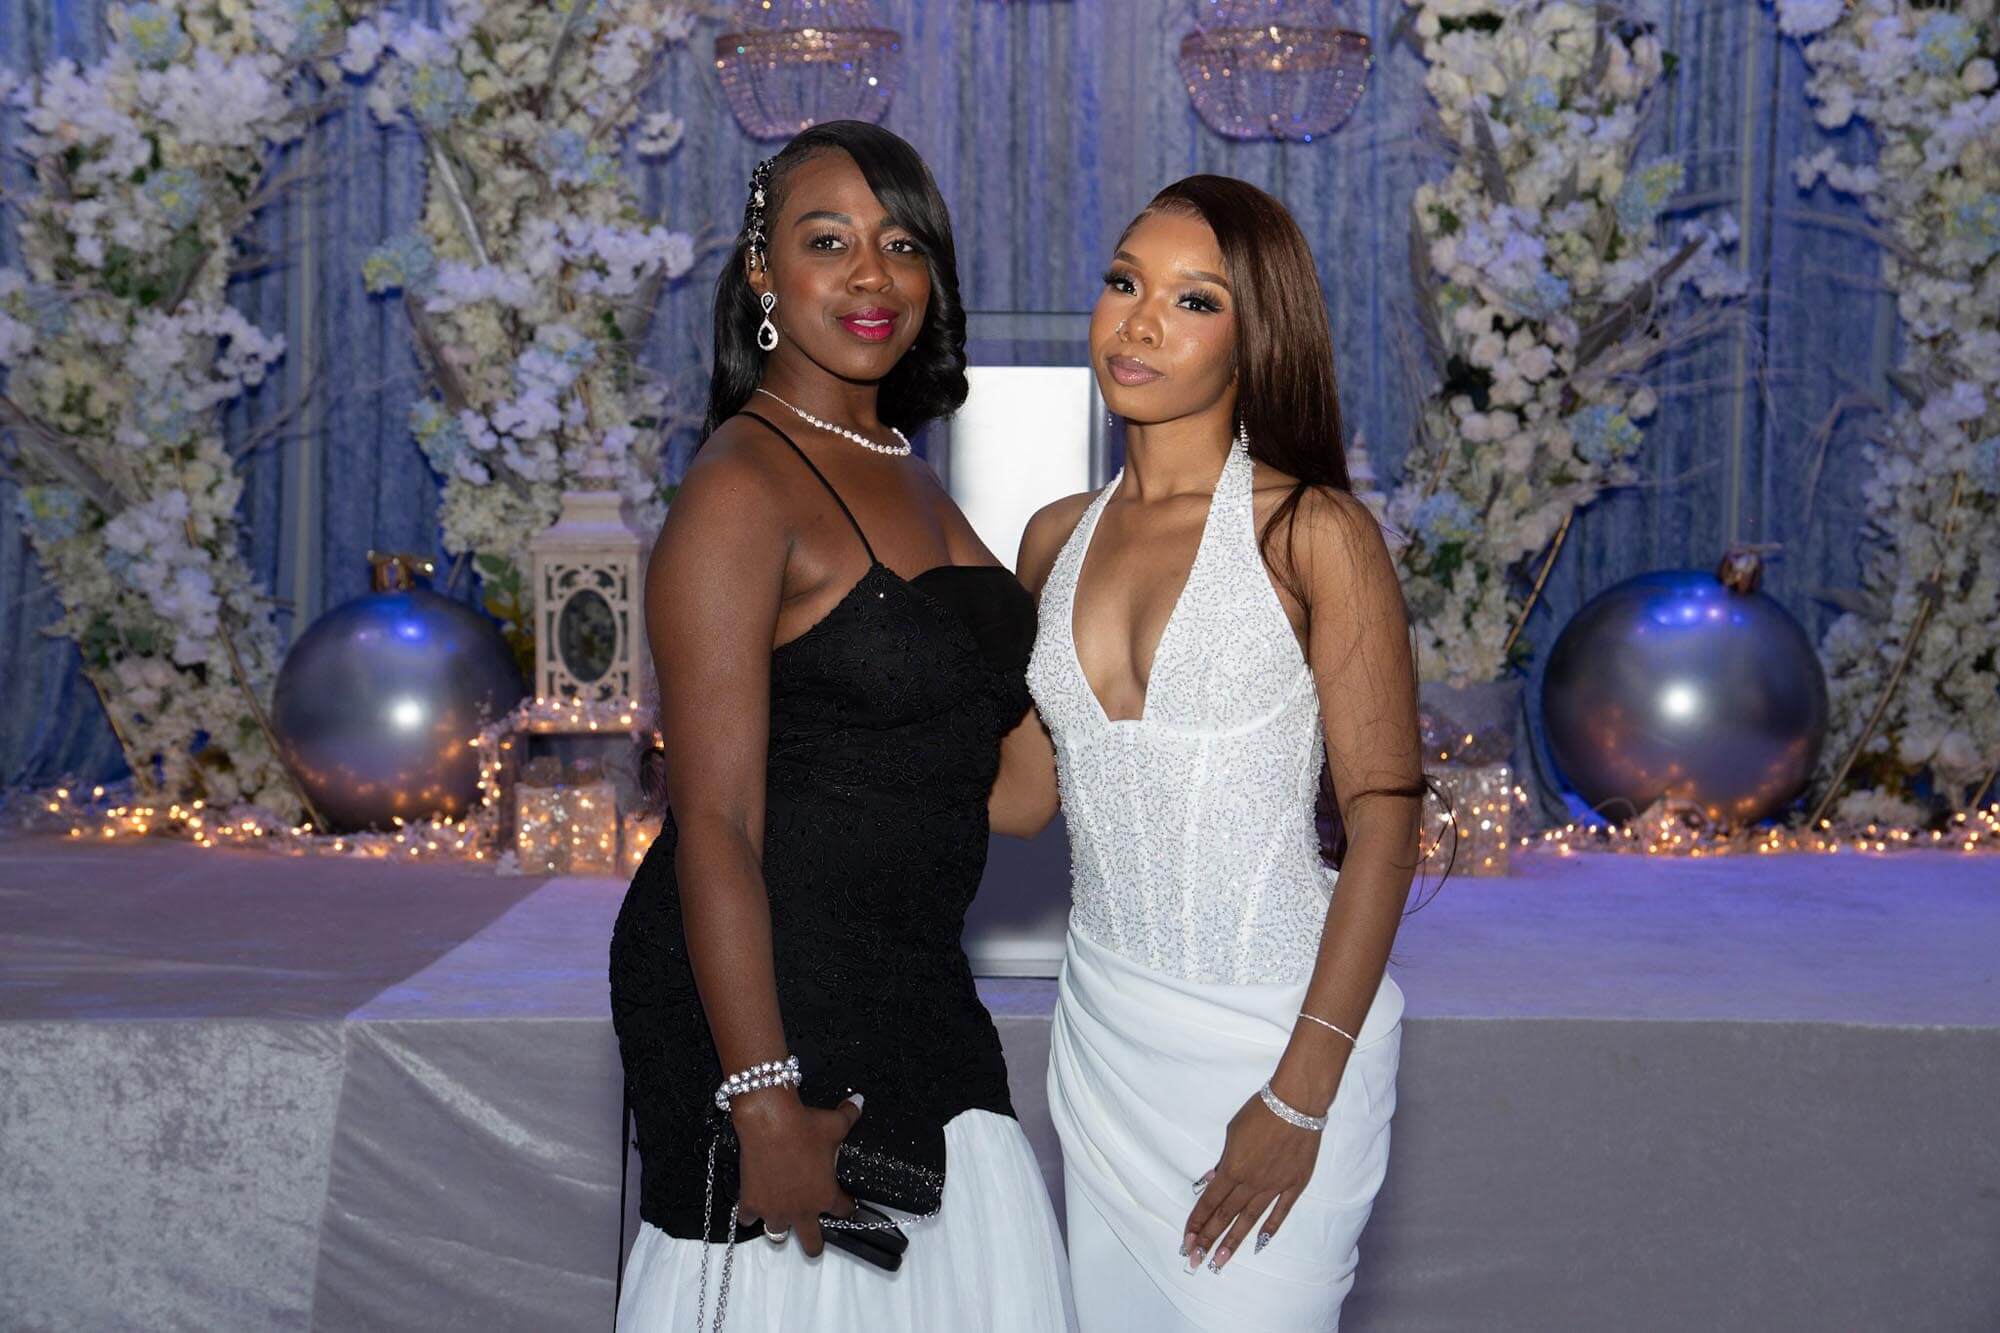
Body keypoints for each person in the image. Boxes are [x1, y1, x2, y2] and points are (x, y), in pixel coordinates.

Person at [609, 120, 1073, 1331]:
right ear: (762, 272)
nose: (872, 275)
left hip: (912, 971)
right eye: (828, 242)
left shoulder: (898, 462)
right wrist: (760, 1096)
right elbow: (714, 819)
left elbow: (1018, 796)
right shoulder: (741, 484)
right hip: (761, 991)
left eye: (901, 244)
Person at [1010, 174, 1428, 1330]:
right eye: (1122, 283)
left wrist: (1299, 1094)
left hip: (1282, 1036)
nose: (1138, 323)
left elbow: (1386, 819)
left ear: (1256, 338)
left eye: (1192, 301)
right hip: (1104, 1038)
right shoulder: (1051, 538)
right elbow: (1018, 797)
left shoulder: (1311, 532)